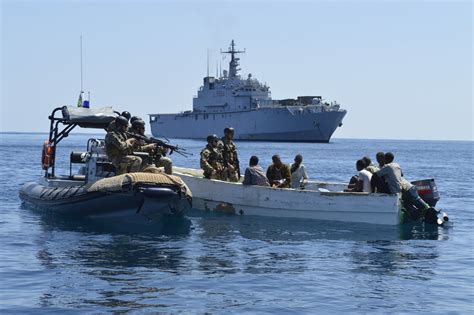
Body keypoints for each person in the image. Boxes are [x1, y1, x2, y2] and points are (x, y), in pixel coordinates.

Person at [376, 152, 429, 217]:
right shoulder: (396, 165)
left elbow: (376, 175)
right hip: (410, 187)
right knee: (410, 205)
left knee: (422, 207)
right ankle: (421, 215)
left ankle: (429, 213)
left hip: (406, 190)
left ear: (384, 159)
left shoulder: (387, 167)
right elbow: (402, 174)